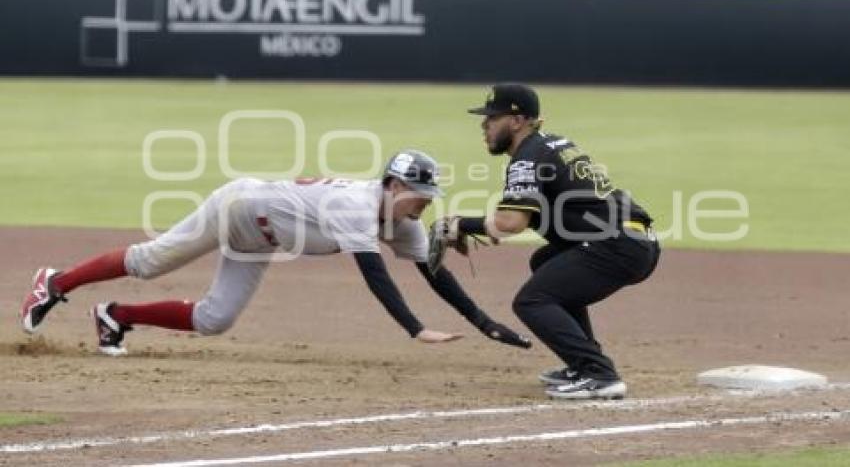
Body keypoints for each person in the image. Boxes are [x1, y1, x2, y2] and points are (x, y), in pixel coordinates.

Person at [21, 150, 531, 356]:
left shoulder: (402, 222)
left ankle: (115, 317)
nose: (426, 204)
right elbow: (376, 277)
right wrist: (414, 329)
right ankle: (56, 282)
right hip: (240, 206)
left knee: (216, 319)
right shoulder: (357, 205)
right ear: (395, 184)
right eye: (421, 194)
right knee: (151, 262)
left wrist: (485, 322)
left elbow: (435, 273)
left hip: (262, 238)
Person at [438, 84, 660, 400]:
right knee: (544, 263)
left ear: (517, 121)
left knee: (532, 300)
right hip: (633, 240)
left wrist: (459, 223)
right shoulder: (550, 144)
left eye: (492, 117)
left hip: (615, 245)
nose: (484, 125)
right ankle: (581, 361)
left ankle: (599, 373)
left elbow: (510, 223)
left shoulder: (528, 157)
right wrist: (482, 227)